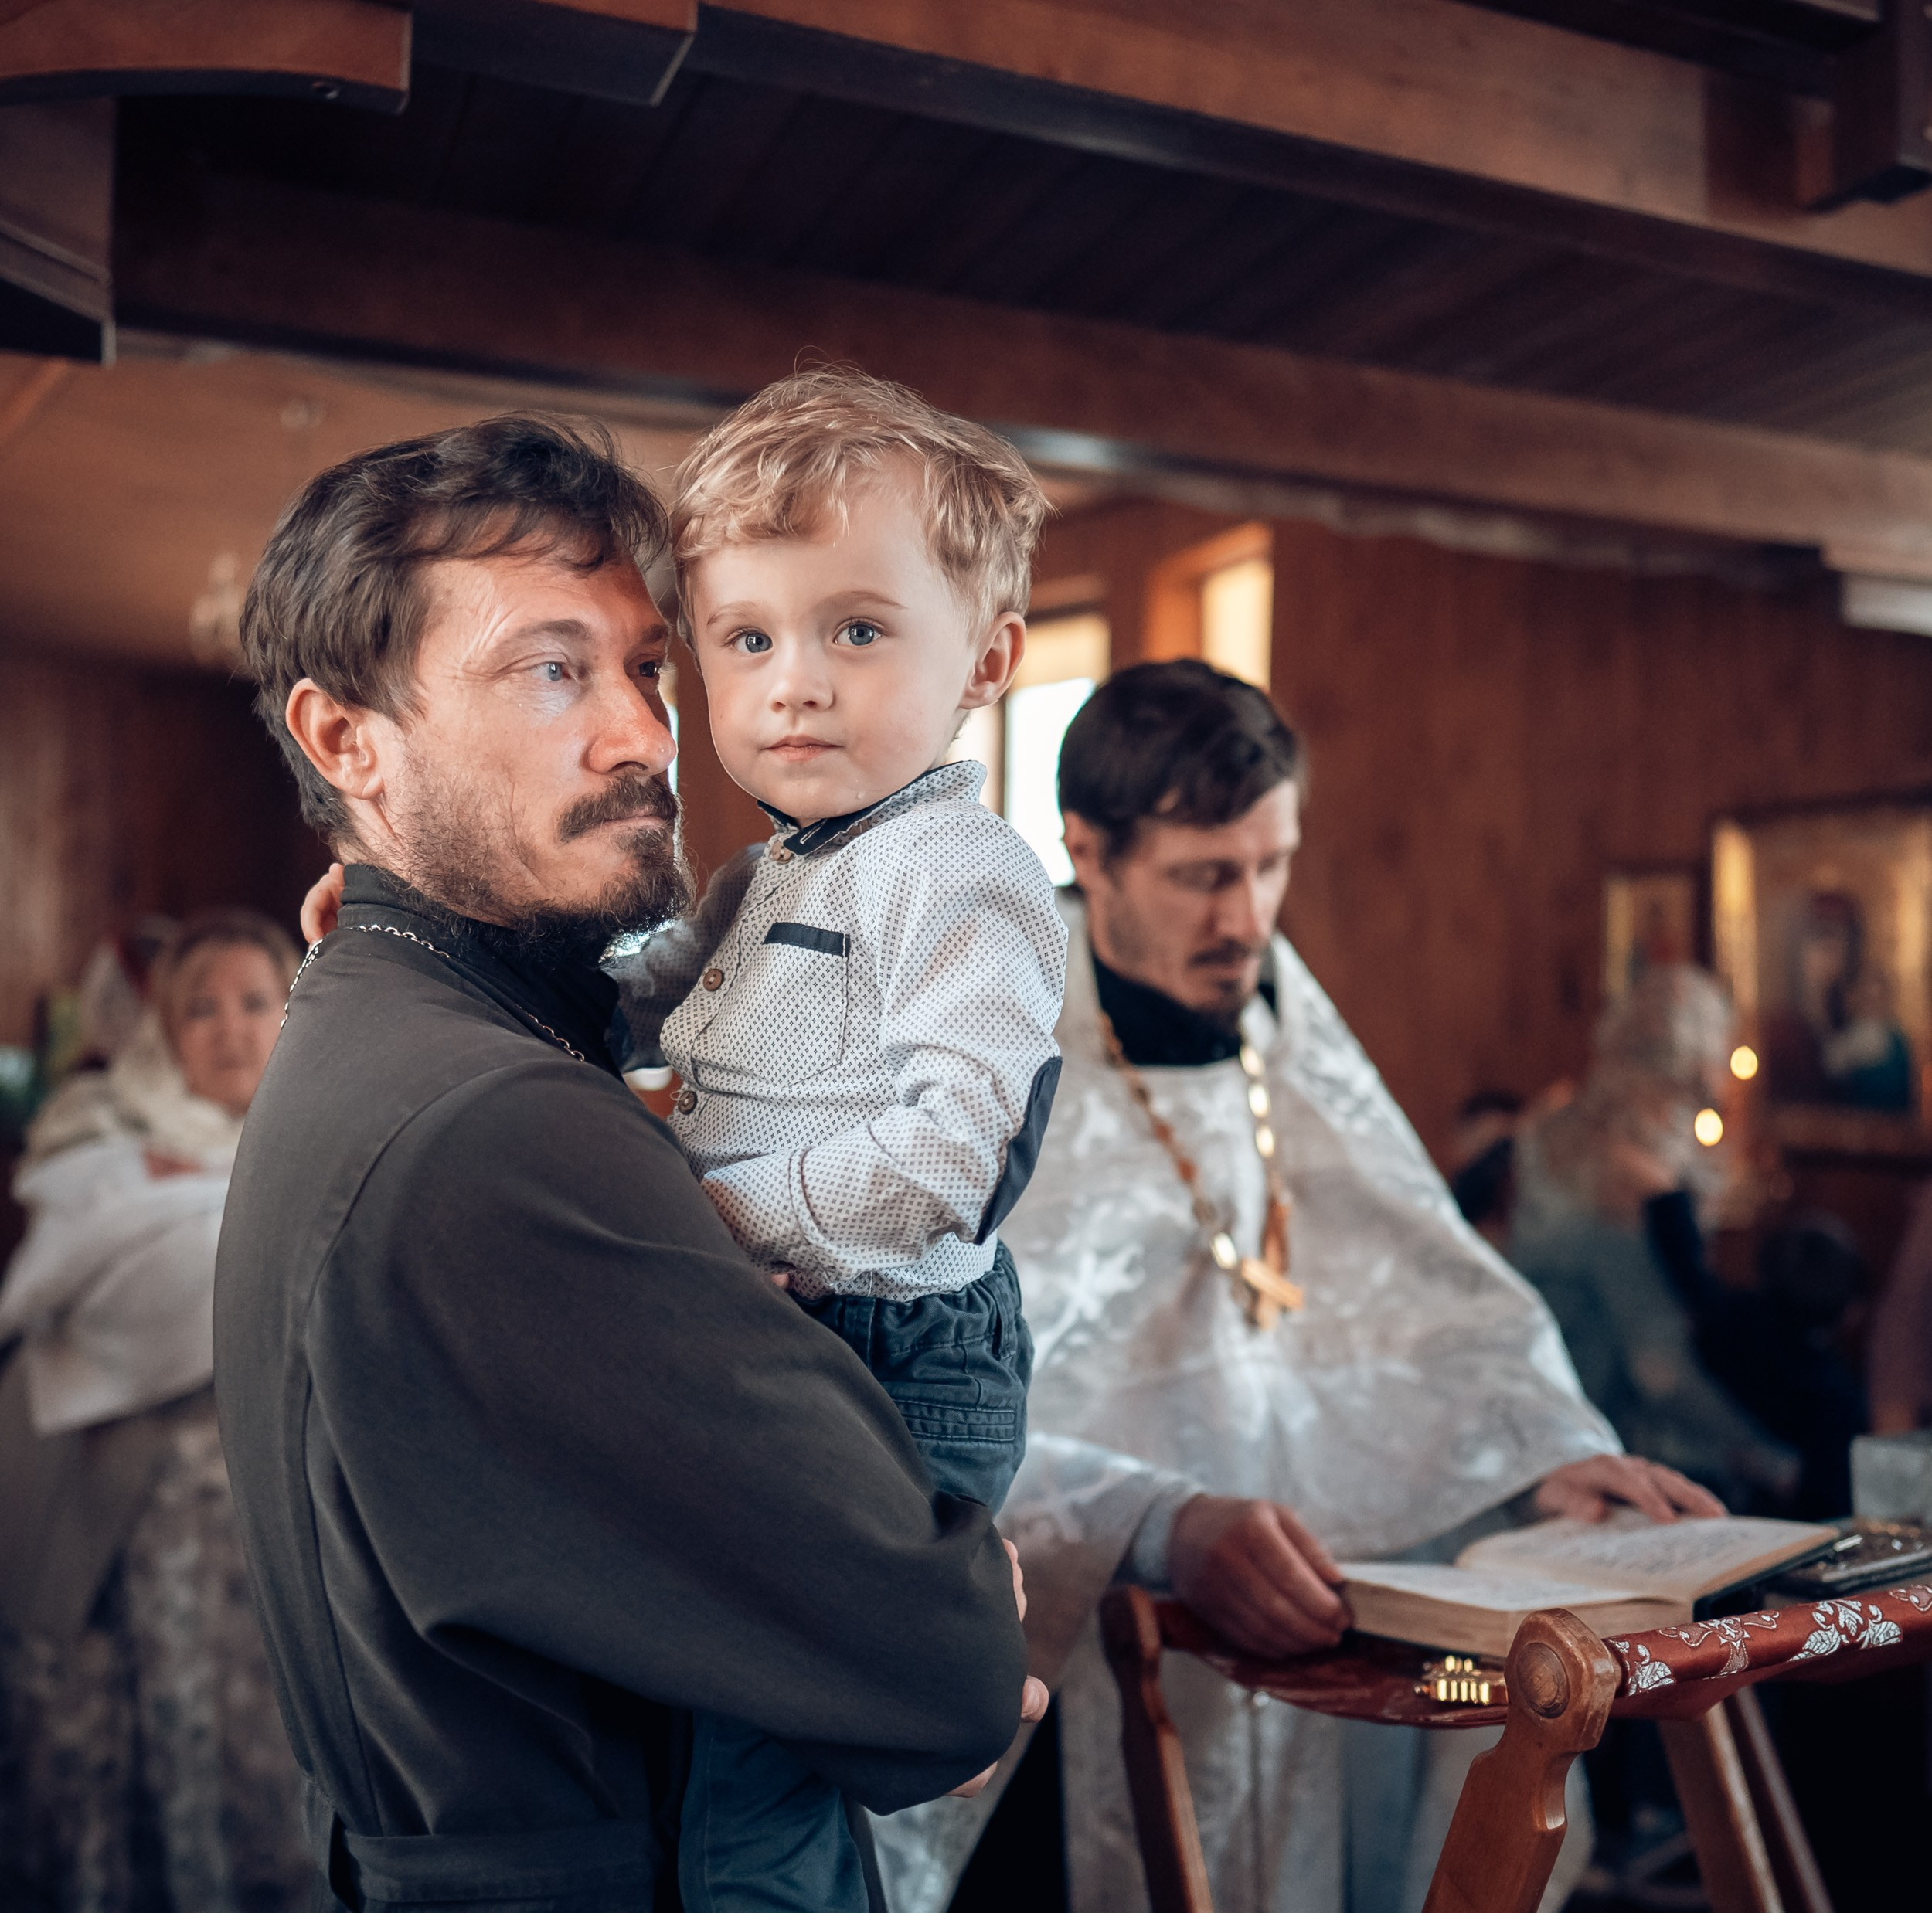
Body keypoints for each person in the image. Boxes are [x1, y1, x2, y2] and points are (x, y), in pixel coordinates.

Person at [221, 413, 1040, 1913]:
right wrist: (954, 1588)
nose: (642, 733)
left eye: (647, 667)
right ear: (348, 741)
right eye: (551, 669)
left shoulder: (380, 1018)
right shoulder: (498, 1126)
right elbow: (945, 1675)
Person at [872, 660, 1719, 1913]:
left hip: (1313, 1664)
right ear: (1088, 852)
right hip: (1079, 1693)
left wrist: (1538, 1452)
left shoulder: (1282, 1024)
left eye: (1272, 865)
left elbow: (1423, 1292)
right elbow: (913, 1403)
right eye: (1203, 875)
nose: (1246, 917)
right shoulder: (978, 1061)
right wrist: (1160, 1521)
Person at [625, 371, 1064, 1913]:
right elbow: (640, 1005)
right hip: (788, 1332)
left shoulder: (957, 868)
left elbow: (950, 1152)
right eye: (746, 637)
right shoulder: (764, 875)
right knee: (727, 1731)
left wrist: (721, 1219)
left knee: (761, 1769)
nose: (791, 684)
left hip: (896, 1349)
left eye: (854, 630)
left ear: (985, 661)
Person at [0, 910, 309, 1913]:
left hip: (284, 1524)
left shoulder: (324, 1136)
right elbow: (118, 1291)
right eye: (200, 1009)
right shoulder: (102, 1143)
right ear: (163, 1033)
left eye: (257, 1003)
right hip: (141, 1518)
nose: (231, 1031)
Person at [1509, 966, 1798, 1512]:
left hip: (1544, 1410)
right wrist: (1764, 1457)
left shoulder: (1553, 1125)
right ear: (1696, 1058)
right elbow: (1657, 1367)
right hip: (1600, 1432)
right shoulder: (1628, 1172)